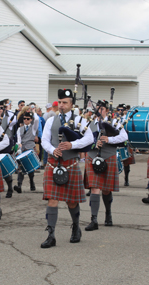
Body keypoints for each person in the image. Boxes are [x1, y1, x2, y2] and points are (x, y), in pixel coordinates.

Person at [40, 89, 93, 248]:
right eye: (60, 102)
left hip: (70, 164)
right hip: (53, 163)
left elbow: (90, 138)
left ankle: (76, 226)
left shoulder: (80, 120)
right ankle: (51, 235)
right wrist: (52, 150)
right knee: (52, 199)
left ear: (71, 104)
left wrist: (72, 145)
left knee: (71, 201)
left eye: (65, 103)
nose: (61, 105)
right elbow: (44, 140)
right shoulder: (51, 120)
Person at [83, 100, 128, 230]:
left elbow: (124, 137)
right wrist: (93, 144)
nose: (99, 111)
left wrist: (109, 139)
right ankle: (94, 219)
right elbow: (82, 140)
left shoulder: (115, 123)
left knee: (106, 189)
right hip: (92, 157)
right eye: (97, 109)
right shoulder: (89, 124)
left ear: (107, 111)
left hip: (108, 156)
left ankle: (108, 213)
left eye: (102, 109)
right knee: (94, 188)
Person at [13, 112, 38, 193]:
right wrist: (19, 145)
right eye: (24, 119)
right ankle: (19, 185)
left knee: (30, 167)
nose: (26, 120)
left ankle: (31, 182)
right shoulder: (20, 129)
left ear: (31, 119)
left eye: (28, 119)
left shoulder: (33, 128)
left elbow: (37, 119)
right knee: (21, 168)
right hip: (22, 149)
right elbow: (18, 139)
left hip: (30, 148)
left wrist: (34, 111)